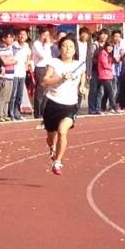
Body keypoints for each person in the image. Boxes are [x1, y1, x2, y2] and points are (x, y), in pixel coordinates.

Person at [40, 36, 84, 176]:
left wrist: (82, 86)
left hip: (70, 105)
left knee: (62, 131)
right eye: (64, 46)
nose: (68, 49)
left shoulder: (79, 64)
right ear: (59, 48)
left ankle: (58, 162)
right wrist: (61, 78)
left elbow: (82, 75)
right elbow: (45, 81)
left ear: (75, 49)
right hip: (53, 103)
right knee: (50, 136)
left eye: (71, 46)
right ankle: (52, 147)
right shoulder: (54, 62)